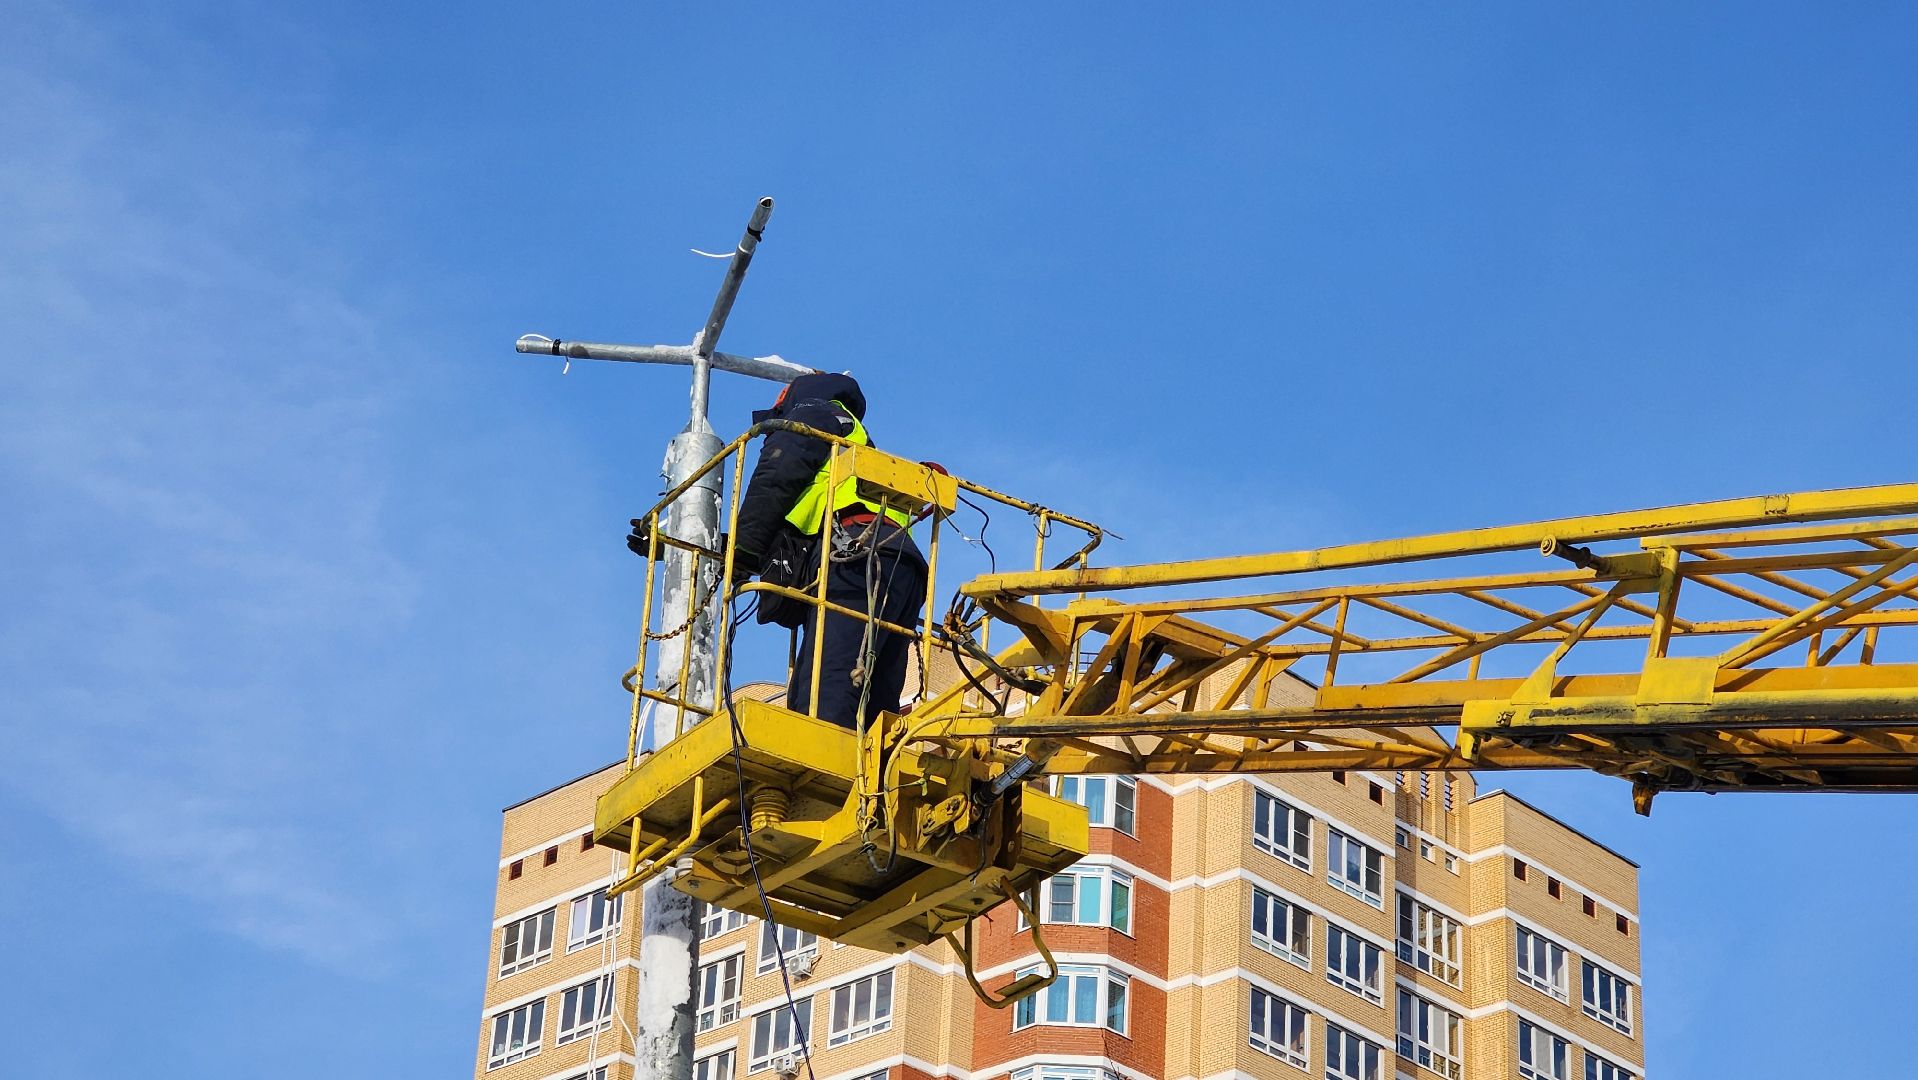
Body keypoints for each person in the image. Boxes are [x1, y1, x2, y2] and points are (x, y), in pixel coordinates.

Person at [727, 372, 928, 730]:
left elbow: (776, 476)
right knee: (875, 704)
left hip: (856, 557)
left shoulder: (816, 413)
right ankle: (870, 783)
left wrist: (741, 550)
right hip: (899, 565)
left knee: (823, 693)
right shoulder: (857, 446)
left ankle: (823, 784)